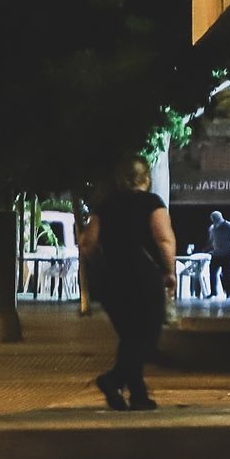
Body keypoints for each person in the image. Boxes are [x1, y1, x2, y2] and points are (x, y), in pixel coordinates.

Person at [80, 155, 177, 411]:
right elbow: (163, 239)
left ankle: (138, 395)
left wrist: (99, 266)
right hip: (143, 276)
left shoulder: (105, 206)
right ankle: (112, 380)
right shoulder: (151, 203)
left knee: (129, 336)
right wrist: (169, 271)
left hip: (111, 278)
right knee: (147, 337)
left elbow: (87, 243)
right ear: (145, 177)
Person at [205, 210, 230, 298]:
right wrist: (209, 250)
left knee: (227, 274)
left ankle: (228, 293)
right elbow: (211, 240)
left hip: (226, 254)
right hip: (216, 254)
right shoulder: (212, 228)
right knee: (212, 273)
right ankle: (213, 292)